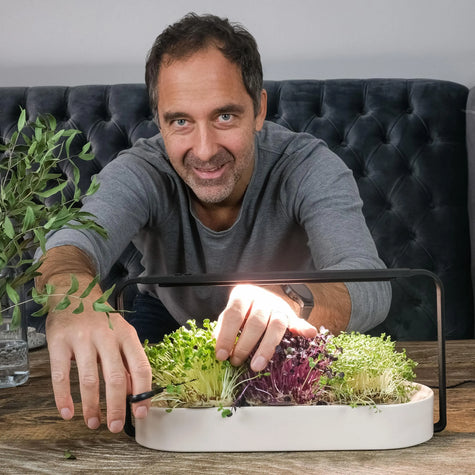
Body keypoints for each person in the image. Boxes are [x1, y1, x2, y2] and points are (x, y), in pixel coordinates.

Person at [35, 13, 391, 434]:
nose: (204, 151)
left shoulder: (310, 166)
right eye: (181, 121)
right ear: (160, 122)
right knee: (142, 432)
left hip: (290, 325)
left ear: (258, 109)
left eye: (224, 116)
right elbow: (68, 245)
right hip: (167, 318)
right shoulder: (141, 170)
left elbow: (371, 285)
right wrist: (73, 299)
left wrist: (290, 299)